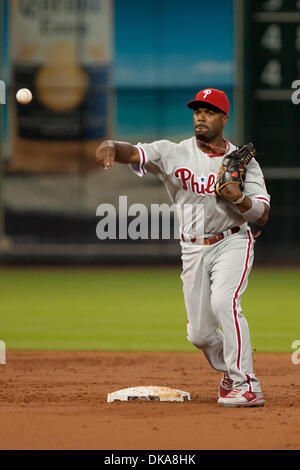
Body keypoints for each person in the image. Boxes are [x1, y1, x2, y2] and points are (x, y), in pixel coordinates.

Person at [95, 88, 270, 407]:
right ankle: (228, 374)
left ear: (223, 118)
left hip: (232, 240)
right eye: (197, 111)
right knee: (200, 335)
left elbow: (262, 213)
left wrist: (238, 197)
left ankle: (247, 384)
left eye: (209, 111)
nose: (201, 116)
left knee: (224, 302)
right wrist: (111, 146)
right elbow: (133, 153)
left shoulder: (243, 162)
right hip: (192, 248)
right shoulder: (173, 153)